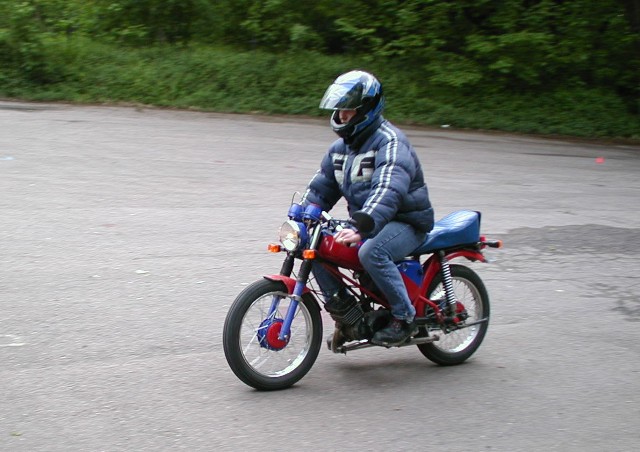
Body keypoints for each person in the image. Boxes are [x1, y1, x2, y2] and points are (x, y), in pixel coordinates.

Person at [301, 70, 435, 346]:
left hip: (405, 222)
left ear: (367, 109)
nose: (342, 115)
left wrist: (362, 226)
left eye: (349, 109)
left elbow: (389, 189)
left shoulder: (391, 142)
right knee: (314, 243)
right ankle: (349, 316)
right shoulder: (340, 149)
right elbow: (322, 188)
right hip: (369, 221)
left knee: (372, 251)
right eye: (339, 109)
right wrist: (301, 216)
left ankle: (404, 318)